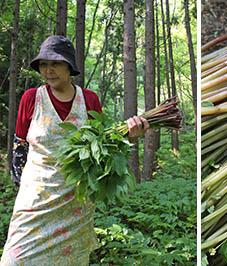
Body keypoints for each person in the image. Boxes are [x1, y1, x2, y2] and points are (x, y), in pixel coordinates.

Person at [0, 35, 149, 265]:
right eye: (44, 64)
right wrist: (22, 187)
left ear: (69, 66)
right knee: (14, 259)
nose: (49, 70)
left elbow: (102, 148)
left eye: (56, 64)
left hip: (75, 202)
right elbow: (20, 146)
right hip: (35, 200)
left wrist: (130, 135)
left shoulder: (88, 100)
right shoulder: (32, 98)